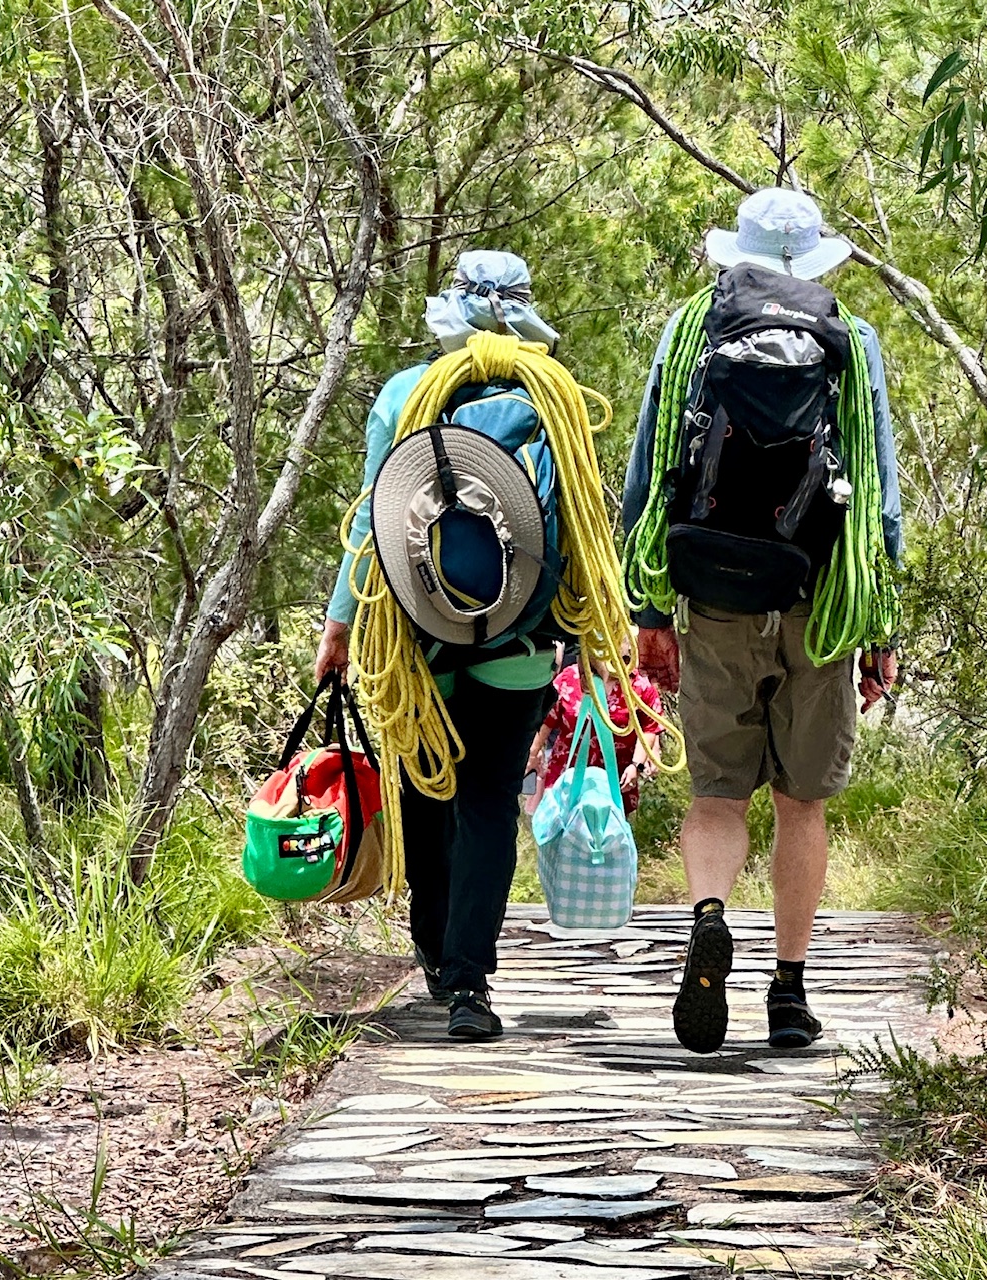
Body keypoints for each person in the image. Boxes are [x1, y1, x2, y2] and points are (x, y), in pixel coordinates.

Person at [622, 189, 904, 1053]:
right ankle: (788, 991)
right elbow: (882, 498)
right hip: (820, 600)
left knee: (717, 794)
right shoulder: (851, 341)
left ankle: (709, 915)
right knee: (802, 801)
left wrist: (650, 610)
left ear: (735, 251)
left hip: (713, 593)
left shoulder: (691, 329)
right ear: (816, 258)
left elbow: (652, 470)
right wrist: (880, 625)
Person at [315, 250, 564, 1042]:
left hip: (416, 634)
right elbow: (580, 526)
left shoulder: (403, 394)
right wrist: (595, 636)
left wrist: (341, 622)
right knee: (490, 801)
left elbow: (370, 519)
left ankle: (432, 950)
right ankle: (469, 983)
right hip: (520, 636)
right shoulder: (549, 398)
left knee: (427, 791)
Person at [526, 651, 663, 816]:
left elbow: (649, 727)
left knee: (607, 835)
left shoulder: (640, 687)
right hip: (566, 775)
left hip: (613, 781)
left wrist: (636, 765)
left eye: (625, 657)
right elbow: (546, 719)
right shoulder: (570, 677)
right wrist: (533, 753)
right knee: (563, 833)